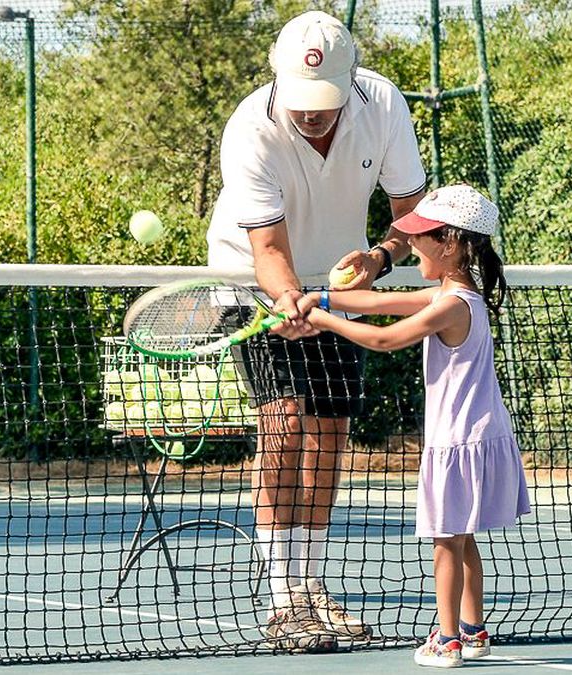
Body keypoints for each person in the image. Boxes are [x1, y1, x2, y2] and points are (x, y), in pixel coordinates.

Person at [205, 10, 428, 650]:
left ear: (351, 80)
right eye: (302, 100)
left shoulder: (383, 105)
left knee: (330, 432)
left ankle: (312, 586)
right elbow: (269, 250)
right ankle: (284, 599)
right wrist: (288, 302)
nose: (311, 114)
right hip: (255, 285)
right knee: (283, 423)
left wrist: (380, 259)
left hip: (340, 285)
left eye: (325, 100)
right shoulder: (250, 128)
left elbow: (411, 215)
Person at [302, 184, 531, 668]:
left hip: (459, 440)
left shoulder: (451, 304)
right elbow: (381, 304)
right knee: (462, 538)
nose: (411, 243)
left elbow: (385, 340)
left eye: (420, 236)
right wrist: (318, 298)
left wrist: (325, 319)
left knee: (446, 541)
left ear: (449, 243)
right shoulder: (455, 294)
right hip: (478, 436)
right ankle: (472, 630)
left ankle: (447, 640)